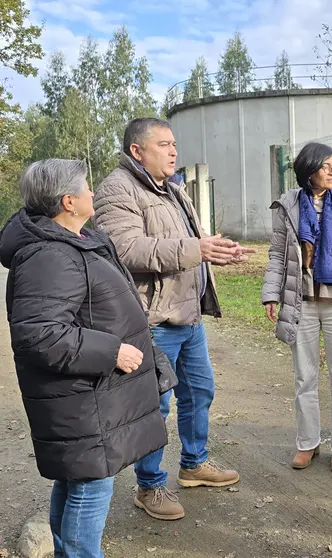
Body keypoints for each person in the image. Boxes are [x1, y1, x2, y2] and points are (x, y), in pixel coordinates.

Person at [0, 159, 168, 557]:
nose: (95, 193)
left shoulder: (75, 241)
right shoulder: (49, 256)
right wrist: (111, 351)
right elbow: (39, 334)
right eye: (87, 188)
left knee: (76, 479)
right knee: (91, 486)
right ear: (68, 201)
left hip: (87, 394)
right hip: (80, 397)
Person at [93, 118, 252, 521]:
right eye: (163, 144)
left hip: (186, 315)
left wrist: (218, 253)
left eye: (174, 144)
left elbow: (190, 247)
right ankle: (149, 487)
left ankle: (194, 464)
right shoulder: (117, 189)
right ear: (137, 151)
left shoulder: (173, 190)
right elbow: (127, 249)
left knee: (200, 393)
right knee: (154, 407)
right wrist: (196, 248)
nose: (173, 151)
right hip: (152, 320)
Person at [262, 142, 332, 473]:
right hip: (303, 304)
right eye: (326, 166)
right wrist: (271, 293)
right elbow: (278, 253)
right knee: (304, 378)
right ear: (309, 171)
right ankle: (307, 443)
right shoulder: (289, 205)